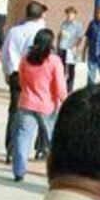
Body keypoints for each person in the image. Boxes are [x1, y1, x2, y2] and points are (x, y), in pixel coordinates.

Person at [11, 29, 68, 183]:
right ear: (50, 43)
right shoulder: (54, 61)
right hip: (47, 106)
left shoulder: (25, 59)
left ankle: (19, 171)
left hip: (26, 103)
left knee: (23, 137)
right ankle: (58, 173)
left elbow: (21, 82)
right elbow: (60, 86)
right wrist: (64, 101)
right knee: (53, 140)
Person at [1, 1, 48, 163]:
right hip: (37, 75)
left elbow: (6, 53)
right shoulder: (42, 32)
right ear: (41, 15)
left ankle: (11, 149)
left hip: (16, 74)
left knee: (15, 111)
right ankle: (42, 147)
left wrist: (7, 72)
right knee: (41, 110)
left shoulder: (14, 31)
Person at [58, 6, 84, 91]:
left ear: (74, 15)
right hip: (62, 48)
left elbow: (80, 37)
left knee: (71, 69)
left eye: (72, 14)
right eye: (68, 14)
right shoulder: (63, 23)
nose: (70, 16)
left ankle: (69, 88)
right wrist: (58, 45)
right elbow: (60, 35)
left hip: (71, 49)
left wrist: (75, 46)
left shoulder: (78, 25)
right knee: (61, 69)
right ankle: (61, 87)